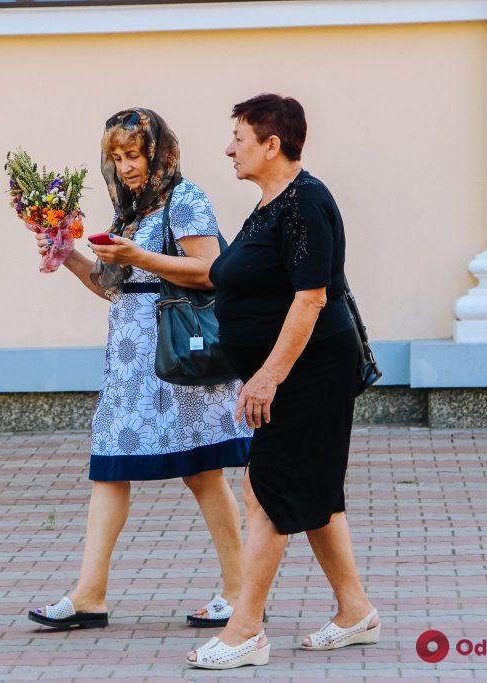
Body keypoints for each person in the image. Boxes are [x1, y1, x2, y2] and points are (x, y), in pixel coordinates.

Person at [27, 108, 253, 631]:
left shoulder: (186, 199)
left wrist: (140, 258)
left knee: (202, 472)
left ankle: (240, 591)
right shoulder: (130, 211)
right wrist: (69, 256)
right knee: (111, 467)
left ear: (158, 151)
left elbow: (212, 271)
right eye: (118, 158)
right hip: (130, 363)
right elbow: (111, 286)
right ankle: (90, 595)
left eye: (134, 154)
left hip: (177, 357)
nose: (126, 167)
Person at [186, 94, 378, 669]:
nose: (229, 148)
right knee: (313, 490)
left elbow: (312, 296)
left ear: (273, 145)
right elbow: (221, 274)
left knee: (267, 487)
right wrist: (140, 260)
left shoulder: (305, 203)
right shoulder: (272, 205)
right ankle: (355, 611)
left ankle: (245, 629)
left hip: (308, 370)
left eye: (239, 137)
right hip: (291, 368)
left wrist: (268, 377)